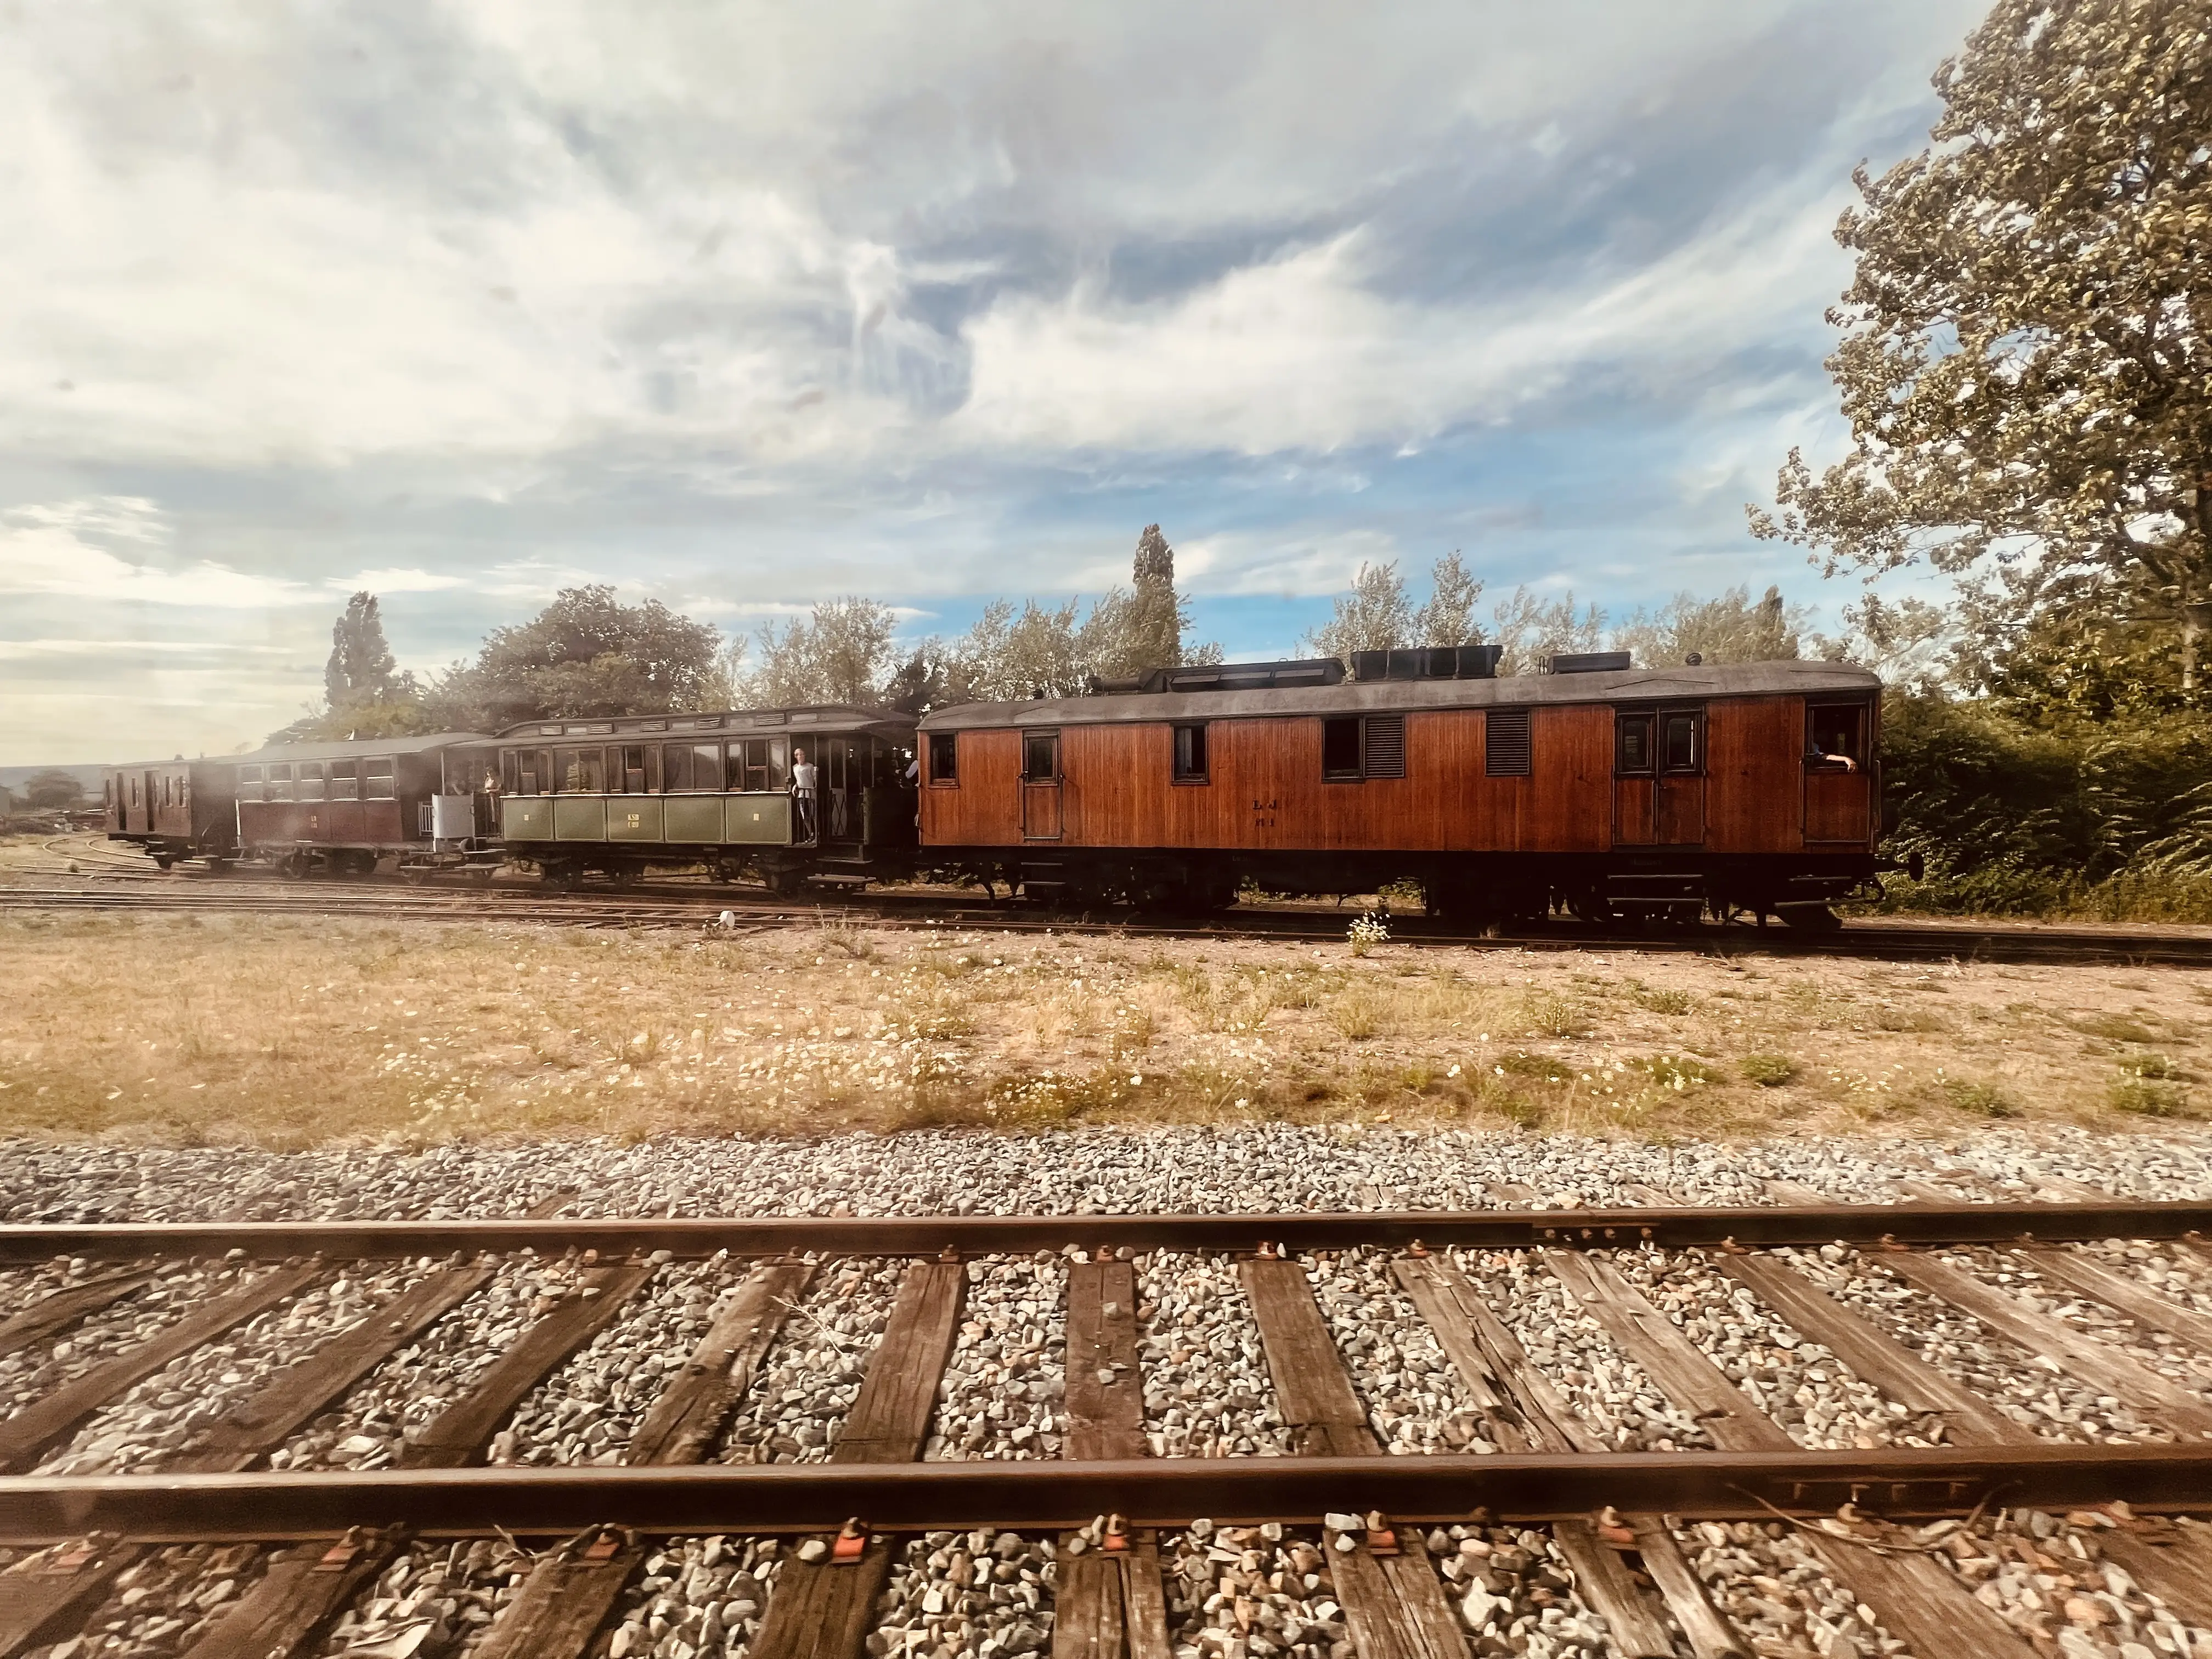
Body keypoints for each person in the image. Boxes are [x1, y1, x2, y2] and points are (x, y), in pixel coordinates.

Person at [791, 746, 817, 841]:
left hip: (810, 792)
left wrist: (816, 774)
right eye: (799, 755)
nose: (801, 757)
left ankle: (817, 835)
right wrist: (795, 786)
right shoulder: (795, 768)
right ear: (796, 756)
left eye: (802, 754)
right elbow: (799, 780)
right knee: (804, 815)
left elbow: (814, 780)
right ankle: (811, 834)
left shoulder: (810, 766)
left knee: (813, 814)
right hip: (801, 794)